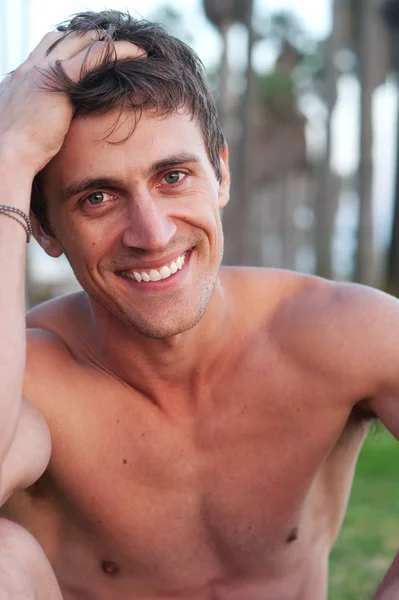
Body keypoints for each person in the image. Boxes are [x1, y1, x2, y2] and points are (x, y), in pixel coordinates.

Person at [0, 9, 398, 600]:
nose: (152, 233)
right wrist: (11, 158)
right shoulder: (29, 380)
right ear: (44, 230)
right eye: (98, 197)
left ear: (222, 174)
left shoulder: (341, 333)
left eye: (174, 177)